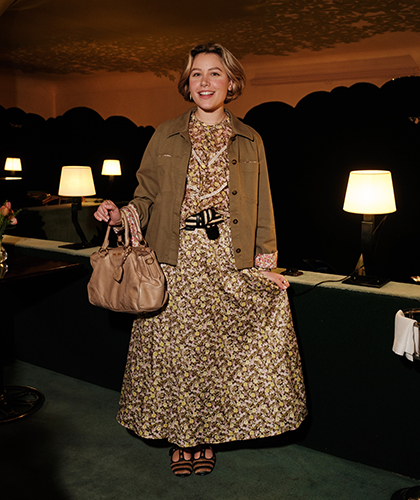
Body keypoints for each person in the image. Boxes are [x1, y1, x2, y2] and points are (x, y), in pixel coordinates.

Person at [94, 42, 307, 477]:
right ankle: (181, 438)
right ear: (187, 84)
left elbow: (263, 208)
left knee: (214, 357)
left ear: (231, 83)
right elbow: (146, 196)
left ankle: (205, 436)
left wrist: (265, 269)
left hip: (226, 259)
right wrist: (120, 215)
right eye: (196, 74)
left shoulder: (250, 138)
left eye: (214, 73)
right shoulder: (165, 134)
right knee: (176, 356)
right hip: (175, 260)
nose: (205, 82)